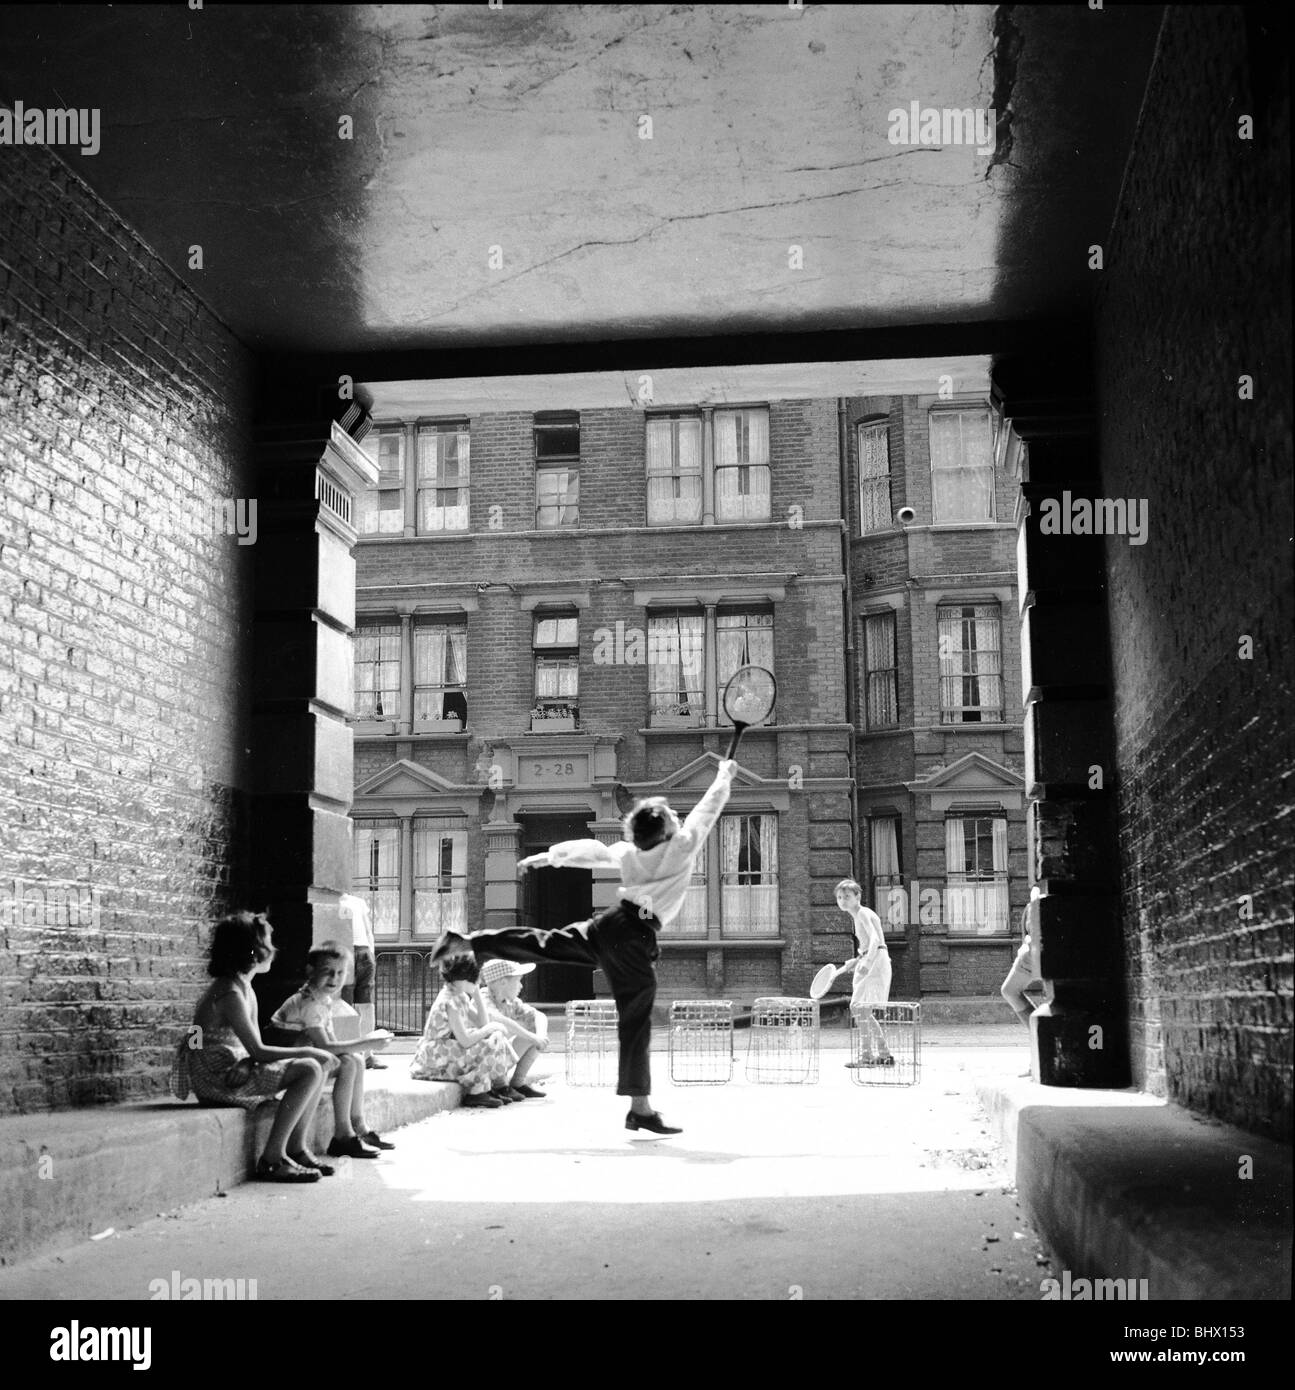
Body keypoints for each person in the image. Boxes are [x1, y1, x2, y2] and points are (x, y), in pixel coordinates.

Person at [430, 758, 738, 1135]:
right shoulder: (681, 846)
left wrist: (552, 855)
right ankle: (639, 1108)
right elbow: (707, 812)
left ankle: (468, 942)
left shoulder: (632, 852)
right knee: (635, 1021)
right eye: (673, 815)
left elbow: (596, 851)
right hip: (636, 936)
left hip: (612, 922)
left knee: (545, 944)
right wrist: (724, 775)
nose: (679, 815)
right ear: (665, 832)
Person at [178, 911, 339, 1183]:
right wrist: (306, 1050)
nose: (274, 949)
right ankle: (272, 1159)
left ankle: (296, 1148)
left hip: (231, 1063)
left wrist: (247, 1061)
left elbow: (254, 1048)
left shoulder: (244, 986)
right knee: (310, 1066)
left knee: (317, 1064)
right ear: (253, 951)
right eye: (269, 942)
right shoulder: (229, 992)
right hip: (215, 1077)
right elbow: (200, 1035)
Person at [270, 943, 395, 1160]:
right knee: (350, 1060)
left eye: (340, 972)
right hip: (291, 1067)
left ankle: (358, 1127)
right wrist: (366, 1042)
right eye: (328, 972)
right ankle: (343, 1136)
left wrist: (360, 1048)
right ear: (311, 971)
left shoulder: (322, 999)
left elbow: (333, 1046)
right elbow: (326, 1047)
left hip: (307, 1061)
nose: (334, 979)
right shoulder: (310, 1004)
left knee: (353, 1060)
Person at [410, 953, 521, 1107]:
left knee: (496, 1038)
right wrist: (489, 1029)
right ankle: (476, 1093)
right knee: (487, 1046)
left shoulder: (460, 996)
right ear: (463, 977)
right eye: (475, 978)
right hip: (435, 1058)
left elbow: (482, 1023)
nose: (479, 981)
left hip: (448, 1050)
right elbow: (465, 1040)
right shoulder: (449, 1001)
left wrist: (477, 995)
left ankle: (499, 1086)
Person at [835, 879, 895, 1068]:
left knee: (858, 1006)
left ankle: (867, 1057)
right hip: (876, 958)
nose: (843, 900)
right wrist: (858, 958)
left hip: (876, 960)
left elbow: (876, 939)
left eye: (847, 896)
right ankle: (883, 1054)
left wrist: (867, 962)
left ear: (857, 896)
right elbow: (870, 941)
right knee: (863, 1009)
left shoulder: (862, 913)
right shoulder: (858, 915)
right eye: (839, 897)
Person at [479, 958, 549, 1099]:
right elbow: (497, 1019)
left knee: (534, 1031)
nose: (521, 986)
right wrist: (532, 1037)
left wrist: (540, 1037)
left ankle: (517, 1083)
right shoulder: (483, 998)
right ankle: (500, 1086)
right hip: (480, 1063)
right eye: (518, 981)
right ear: (503, 983)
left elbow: (538, 1015)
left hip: (496, 1061)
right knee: (498, 1033)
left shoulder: (510, 1002)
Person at [339, 892, 383, 1070]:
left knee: (367, 1004)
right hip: (345, 949)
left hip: (363, 951)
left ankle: (368, 1054)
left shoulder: (357, 901)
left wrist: (370, 952)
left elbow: (367, 929)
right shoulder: (333, 901)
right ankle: (349, 1054)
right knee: (346, 1004)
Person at [1002, 887, 1043, 1028]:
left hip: (1036, 949)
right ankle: (1041, 1033)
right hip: (1034, 949)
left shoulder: (1037, 893)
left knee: (1010, 991)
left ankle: (1041, 1034)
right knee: (1009, 991)